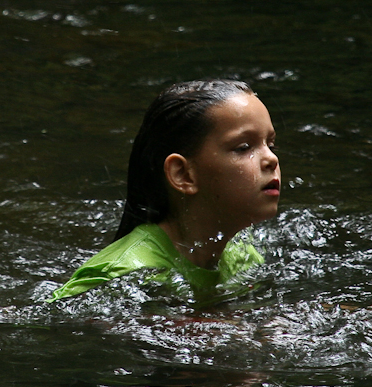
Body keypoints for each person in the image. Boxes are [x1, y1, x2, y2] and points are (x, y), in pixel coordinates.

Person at [48, 79, 281, 303]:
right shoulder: (120, 277)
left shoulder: (242, 255)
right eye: (243, 147)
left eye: (270, 145)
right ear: (183, 175)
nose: (271, 159)